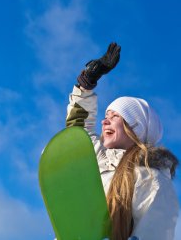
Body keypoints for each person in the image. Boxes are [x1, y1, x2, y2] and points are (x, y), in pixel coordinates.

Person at [66, 43, 179, 240]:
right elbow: (78, 129)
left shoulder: (151, 178)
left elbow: (154, 232)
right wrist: (86, 83)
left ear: (134, 127)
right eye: (106, 115)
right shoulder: (100, 160)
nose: (104, 120)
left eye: (115, 116)